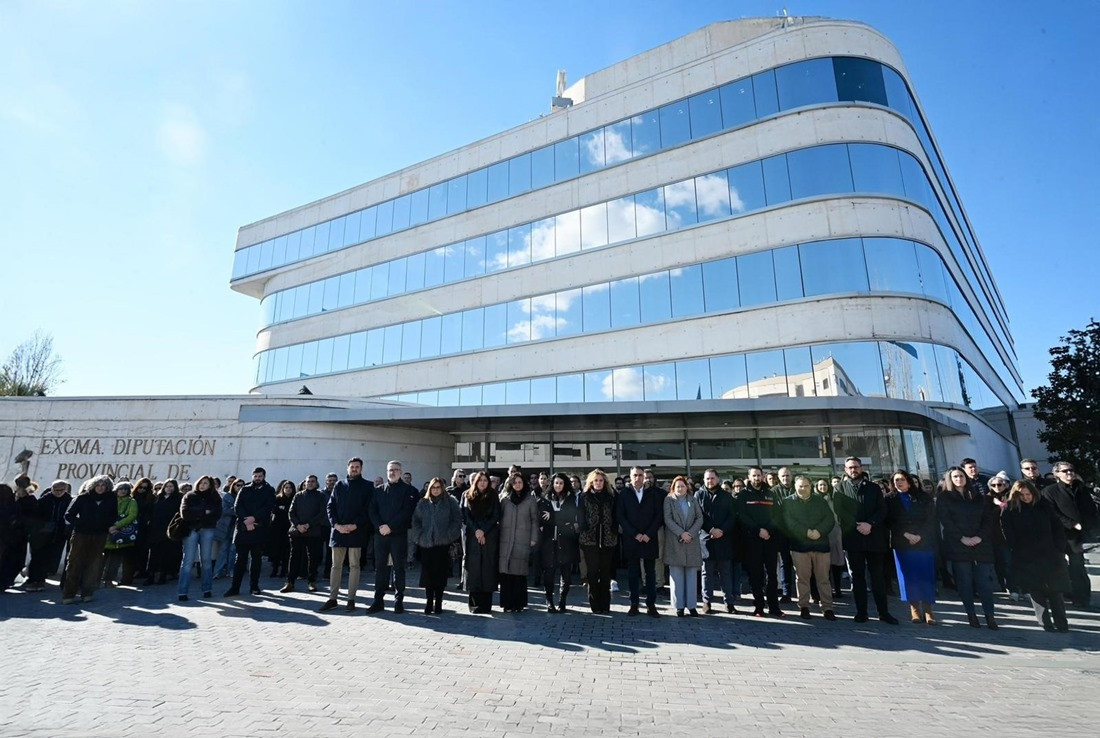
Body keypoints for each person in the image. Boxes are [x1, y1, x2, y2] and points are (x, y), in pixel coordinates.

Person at [834, 457, 898, 624]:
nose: (853, 470)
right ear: (845, 469)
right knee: (857, 577)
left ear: (861, 468)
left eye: (856, 467)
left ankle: (883, 612)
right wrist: (857, 525)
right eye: (850, 467)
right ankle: (861, 613)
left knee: (877, 577)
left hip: (874, 537)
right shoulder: (839, 488)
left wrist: (870, 524)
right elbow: (840, 511)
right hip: (853, 539)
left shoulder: (873, 488)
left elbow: (882, 509)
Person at [1001, 480, 1071, 632]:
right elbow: (1007, 531)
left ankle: (1062, 623)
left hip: (1050, 553)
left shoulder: (1044, 506)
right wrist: (1015, 548)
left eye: (1028, 494)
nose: (1026, 497)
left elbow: (1057, 527)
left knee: (1055, 590)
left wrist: (1059, 548)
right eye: (1022, 495)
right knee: (1036, 590)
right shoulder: (1010, 510)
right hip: (1026, 555)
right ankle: (1045, 623)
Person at [937, 466, 998, 629]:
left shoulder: (978, 496)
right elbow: (946, 520)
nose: (959, 479)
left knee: (984, 581)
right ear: (950, 479)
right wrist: (962, 538)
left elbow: (987, 519)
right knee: (964, 581)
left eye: (961, 476)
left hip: (981, 544)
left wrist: (979, 536)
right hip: (958, 544)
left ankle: (990, 616)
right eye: (955, 476)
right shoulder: (944, 497)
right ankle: (971, 614)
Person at [1041, 461, 1097, 611]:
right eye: (1065, 471)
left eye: (1071, 470)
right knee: (1060, 566)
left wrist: (1089, 525)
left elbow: (1090, 509)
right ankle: (1063, 594)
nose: (1069, 473)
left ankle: (1082, 598)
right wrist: (1071, 524)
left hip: (1079, 535)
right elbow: (1052, 512)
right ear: (1057, 474)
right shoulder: (1050, 491)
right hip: (1060, 534)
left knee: (1078, 567)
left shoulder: (1081, 488)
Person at [780, 475, 836, 620]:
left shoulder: (820, 501)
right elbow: (788, 522)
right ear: (795, 486)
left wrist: (819, 531)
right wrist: (806, 532)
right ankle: (804, 607)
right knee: (802, 579)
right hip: (800, 547)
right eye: (800, 486)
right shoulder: (788, 502)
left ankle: (827, 608)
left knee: (823, 579)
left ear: (811, 486)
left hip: (821, 545)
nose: (803, 489)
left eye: (806, 486)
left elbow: (829, 519)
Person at [320, 458, 372, 612]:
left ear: (361, 468)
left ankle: (351, 599)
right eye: (352, 467)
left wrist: (355, 525)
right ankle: (333, 598)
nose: (354, 469)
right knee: (335, 566)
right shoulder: (339, 485)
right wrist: (336, 525)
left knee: (354, 566)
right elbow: (330, 507)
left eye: (357, 467)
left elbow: (368, 509)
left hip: (356, 531)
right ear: (347, 468)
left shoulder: (368, 486)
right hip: (338, 531)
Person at [886, 470, 938, 624]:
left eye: (902, 479)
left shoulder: (923, 497)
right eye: (896, 480)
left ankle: (928, 611)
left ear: (909, 481)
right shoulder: (889, 499)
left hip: (923, 542)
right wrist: (906, 534)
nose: (899, 483)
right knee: (908, 577)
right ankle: (914, 609)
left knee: (925, 576)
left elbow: (931, 519)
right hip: (902, 542)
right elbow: (888, 520)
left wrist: (920, 535)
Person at [367, 460, 418, 613]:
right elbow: (372, 510)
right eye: (390, 470)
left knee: (399, 568)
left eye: (395, 469)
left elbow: (407, 511)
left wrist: (390, 526)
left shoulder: (409, 490)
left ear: (400, 472)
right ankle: (378, 601)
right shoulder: (378, 490)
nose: (392, 472)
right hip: (380, 534)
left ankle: (398, 601)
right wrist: (380, 526)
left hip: (398, 535)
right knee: (380, 568)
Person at [60, 475, 117, 604]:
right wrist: (80, 523)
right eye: (98, 485)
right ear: (93, 486)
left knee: (94, 565)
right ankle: (68, 594)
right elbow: (69, 515)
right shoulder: (83, 497)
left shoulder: (111, 498)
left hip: (100, 535)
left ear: (107, 487)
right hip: (81, 534)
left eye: (103, 485)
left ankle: (87, 593)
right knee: (75, 564)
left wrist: (108, 526)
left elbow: (113, 515)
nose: (100, 488)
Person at [411, 477, 462, 613]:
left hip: (443, 544)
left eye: (438, 487)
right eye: (433, 487)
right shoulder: (423, 502)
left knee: (440, 574)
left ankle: (438, 602)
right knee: (428, 574)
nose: (435, 490)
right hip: (426, 543)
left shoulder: (450, 502)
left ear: (442, 488)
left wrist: (449, 535)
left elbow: (457, 520)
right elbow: (416, 521)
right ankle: (429, 602)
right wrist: (419, 536)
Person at [737, 466, 783, 618]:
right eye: (754, 476)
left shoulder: (771, 493)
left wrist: (768, 530)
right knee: (756, 575)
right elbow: (742, 516)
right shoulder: (743, 495)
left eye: (759, 475)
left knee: (772, 575)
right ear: (749, 477)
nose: (757, 478)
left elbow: (777, 515)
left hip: (770, 539)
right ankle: (759, 606)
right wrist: (758, 530)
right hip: (752, 540)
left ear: (763, 476)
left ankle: (774, 607)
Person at [618, 466, 663, 617]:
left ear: (644, 477)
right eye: (635, 475)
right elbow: (621, 516)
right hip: (632, 538)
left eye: (640, 475)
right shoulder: (624, 494)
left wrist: (649, 533)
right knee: (633, 573)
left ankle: (651, 605)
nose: (638, 478)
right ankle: (634, 604)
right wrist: (635, 533)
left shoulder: (653, 493)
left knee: (650, 572)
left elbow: (659, 515)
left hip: (649, 538)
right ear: (630, 477)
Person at [225, 467, 276, 597]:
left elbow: (268, 507)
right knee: (240, 560)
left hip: (259, 528)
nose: (257, 478)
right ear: (252, 476)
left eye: (260, 476)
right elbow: (237, 507)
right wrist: (246, 521)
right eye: (255, 476)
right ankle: (234, 588)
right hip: (243, 529)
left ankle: (254, 586)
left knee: (256, 560)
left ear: (264, 476)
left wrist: (254, 519)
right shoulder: (245, 489)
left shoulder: (269, 490)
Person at [537, 473, 581, 613]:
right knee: (549, 573)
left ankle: (562, 601)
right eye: (556, 483)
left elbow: (570, 517)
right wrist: (558, 518)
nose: (558, 485)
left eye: (561, 483)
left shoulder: (570, 499)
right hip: (549, 542)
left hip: (566, 541)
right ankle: (549, 601)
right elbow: (543, 518)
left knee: (566, 574)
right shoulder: (544, 499)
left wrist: (553, 516)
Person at [696, 468, 737, 614]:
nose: (710, 481)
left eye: (712, 478)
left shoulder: (726, 496)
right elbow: (698, 516)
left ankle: (729, 602)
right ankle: (707, 602)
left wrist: (721, 531)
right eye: (707, 478)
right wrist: (711, 529)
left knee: (725, 573)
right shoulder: (698, 495)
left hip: (723, 539)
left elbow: (732, 516)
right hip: (706, 539)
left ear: (718, 479)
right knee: (706, 573)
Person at [496, 472, 539, 613]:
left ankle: (519, 603)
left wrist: (533, 538)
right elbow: (498, 519)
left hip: (523, 539)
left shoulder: (530, 499)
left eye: (520, 482)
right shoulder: (504, 499)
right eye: (515, 482)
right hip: (505, 540)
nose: (517, 485)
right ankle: (507, 604)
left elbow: (534, 520)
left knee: (519, 573)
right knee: (506, 573)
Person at [662, 475, 703, 616]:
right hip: (675, 540)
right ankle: (679, 606)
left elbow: (699, 518)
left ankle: (692, 606)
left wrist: (690, 533)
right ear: (673, 488)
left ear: (687, 487)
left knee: (691, 575)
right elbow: (668, 519)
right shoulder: (668, 500)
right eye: (677, 486)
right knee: (676, 575)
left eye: (683, 486)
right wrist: (681, 533)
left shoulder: (693, 500)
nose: (680, 488)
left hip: (691, 541)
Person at [578, 469, 618, 614]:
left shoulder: (611, 496)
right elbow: (580, 515)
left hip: (608, 539)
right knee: (593, 573)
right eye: (596, 480)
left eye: (601, 480)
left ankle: (605, 605)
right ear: (591, 482)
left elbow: (616, 514)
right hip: (590, 540)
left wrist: (613, 528)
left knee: (605, 573)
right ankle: (595, 605)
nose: (598, 483)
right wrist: (584, 528)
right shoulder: (584, 496)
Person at [177, 475, 221, 600]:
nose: (202, 485)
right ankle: (182, 591)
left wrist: (197, 512)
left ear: (210, 485)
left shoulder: (215, 497)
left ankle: (207, 589)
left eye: (206, 483)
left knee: (206, 560)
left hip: (207, 529)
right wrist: (204, 512)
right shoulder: (190, 496)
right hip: (191, 529)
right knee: (188, 560)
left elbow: (217, 514)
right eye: (201, 482)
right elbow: (185, 513)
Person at [462, 471, 501, 613]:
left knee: (487, 569)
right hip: (473, 536)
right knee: (474, 569)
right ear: (475, 482)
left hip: (489, 536)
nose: (483, 483)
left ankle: (486, 605)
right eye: (480, 480)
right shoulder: (468, 495)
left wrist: (483, 530)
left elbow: (496, 515)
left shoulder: (493, 495)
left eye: (485, 480)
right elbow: (466, 515)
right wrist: (477, 530)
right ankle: (474, 604)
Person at [283, 474, 329, 593]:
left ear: (316, 483)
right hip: (297, 531)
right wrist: (298, 525)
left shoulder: (321, 496)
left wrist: (308, 525)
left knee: (313, 557)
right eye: (308, 481)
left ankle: (311, 582)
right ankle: (290, 582)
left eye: (312, 481)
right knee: (294, 557)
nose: (310, 483)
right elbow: (291, 512)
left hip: (313, 531)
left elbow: (322, 513)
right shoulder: (298, 495)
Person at [24, 480, 72, 591]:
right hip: (41, 534)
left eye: (61, 490)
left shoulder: (69, 501)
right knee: (38, 557)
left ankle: (41, 580)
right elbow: (36, 516)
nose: (58, 492)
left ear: (65, 490)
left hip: (58, 534)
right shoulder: (44, 500)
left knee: (50, 558)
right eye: (56, 490)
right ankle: (33, 580)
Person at [101, 481, 139, 588]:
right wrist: (108, 527)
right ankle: (97, 579)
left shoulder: (131, 501)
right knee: (101, 559)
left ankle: (109, 580)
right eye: (121, 489)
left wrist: (117, 526)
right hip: (106, 532)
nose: (123, 491)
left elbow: (132, 516)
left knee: (115, 560)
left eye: (125, 489)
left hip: (121, 534)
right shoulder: (110, 499)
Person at [145, 478, 183, 585]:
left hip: (168, 530)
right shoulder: (158, 498)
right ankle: (151, 576)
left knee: (165, 554)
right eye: (167, 486)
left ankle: (162, 576)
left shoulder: (178, 498)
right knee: (153, 554)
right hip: (155, 529)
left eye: (171, 486)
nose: (169, 488)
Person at [815, 478, 847, 599]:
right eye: (820, 485)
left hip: (834, 532)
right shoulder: (815, 499)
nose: (823, 487)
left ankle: (838, 589)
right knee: (823, 565)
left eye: (824, 485)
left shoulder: (834, 498)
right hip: (821, 533)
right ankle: (826, 590)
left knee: (836, 563)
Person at [770, 467, 797, 603]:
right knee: (785, 562)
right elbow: (772, 513)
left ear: (791, 476)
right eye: (783, 476)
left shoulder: (798, 488)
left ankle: (809, 591)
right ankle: (786, 592)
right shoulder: (773, 492)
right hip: (781, 533)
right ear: (779, 478)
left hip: (799, 532)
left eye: (787, 475)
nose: (785, 478)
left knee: (802, 562)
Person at [126, 477, 155, 585]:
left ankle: (141, 570)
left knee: (142, 550)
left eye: (145, 488)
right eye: (140, 487)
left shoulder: (151, 498)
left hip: (144, 526)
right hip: (132, 525)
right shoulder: (132, 497)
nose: (142, 489)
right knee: (132, 550)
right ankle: (132, 570)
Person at [212, 477, 241, 579]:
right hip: (226, 526)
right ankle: (217, 572)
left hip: (237, 527)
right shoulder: (227, 496)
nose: (240, 487)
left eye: (242, 485)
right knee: (223, 550)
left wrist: (234, 509)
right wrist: (236, 511)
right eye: (238, 485)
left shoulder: (244, 496)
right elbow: (224, 510)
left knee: (233, 550)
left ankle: (230, 570)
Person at [268, 480, 296, 579]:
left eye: (290, 488)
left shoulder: (295, 499)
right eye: (286, 488)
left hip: (289, 527)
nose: (288, 489)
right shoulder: (277, 498)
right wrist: (282, 509)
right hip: (277, 528)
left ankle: (284, 570)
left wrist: (283, 509)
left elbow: (292, 512)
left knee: (286, 550)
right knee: (276, 549)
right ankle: (275, 569)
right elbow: (274, 510)